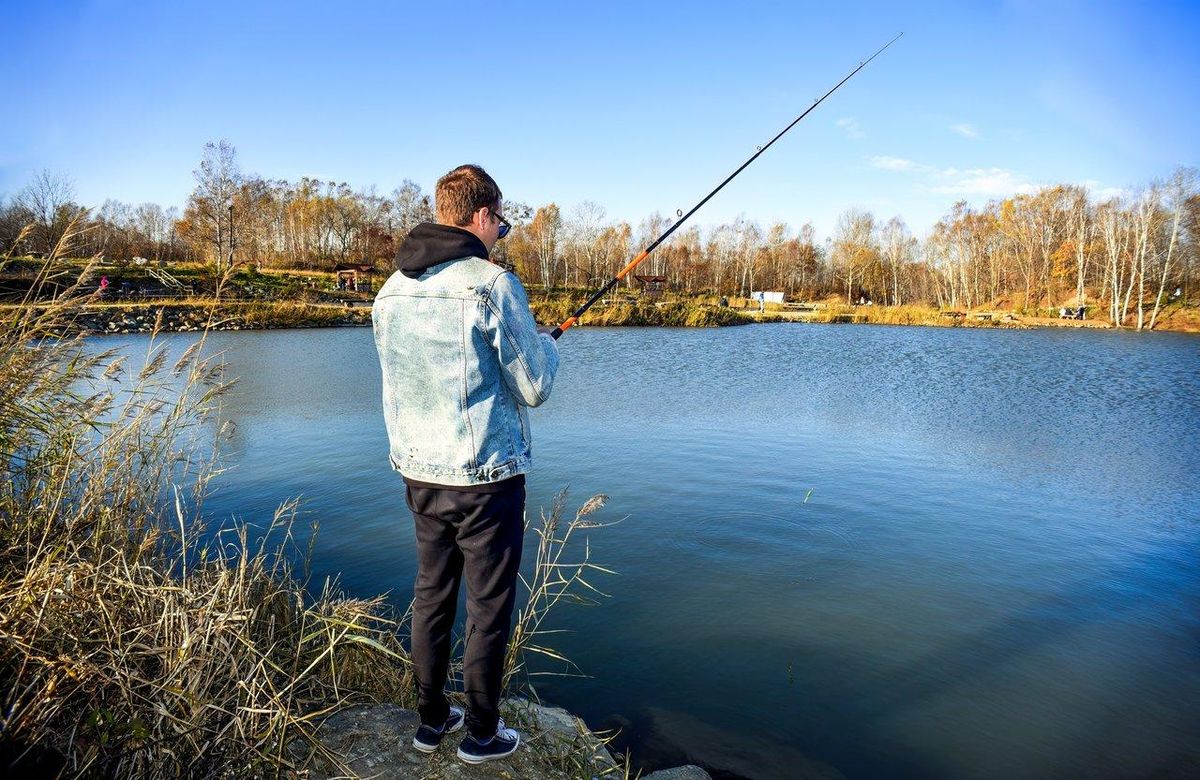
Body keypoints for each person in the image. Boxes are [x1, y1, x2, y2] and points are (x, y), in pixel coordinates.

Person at [372, 164, 560, 764]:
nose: (501, 232)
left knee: (431, 595)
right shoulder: (491, 284)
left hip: (419, 474)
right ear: (480, 216)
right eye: (500, 221)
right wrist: (549, 346)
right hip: (485, 479)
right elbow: (534, 387)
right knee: (488, 606)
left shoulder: (390, 290)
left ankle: (431, 724)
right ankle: (481, 733)